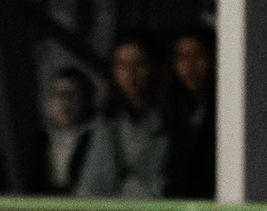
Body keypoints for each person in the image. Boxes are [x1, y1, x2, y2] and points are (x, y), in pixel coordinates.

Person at [73, 30, 168, 200]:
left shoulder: (171, 122)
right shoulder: (102, 125)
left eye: (140, 64)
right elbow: (90, 187)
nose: (130, 73)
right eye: (121, 64)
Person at [164, 26, 217, 199]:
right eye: (182, 57)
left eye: (198, 55)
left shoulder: (225, 109)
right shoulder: (167, 108)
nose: (190, 66)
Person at [43, 68, 100, 195]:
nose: (65, 101)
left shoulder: (97, 140)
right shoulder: (41, 142)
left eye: (73, 94)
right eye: (59, 94)